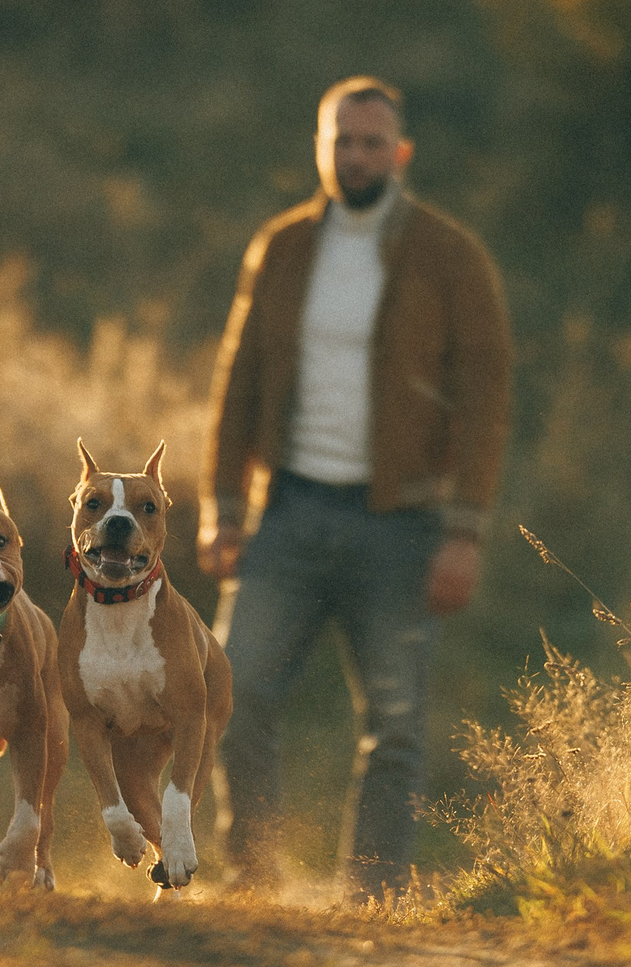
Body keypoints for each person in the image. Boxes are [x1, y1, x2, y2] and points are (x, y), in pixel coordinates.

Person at [198, 76, 513, 897]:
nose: (356, 157)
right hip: (289, 509)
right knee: (233, 693)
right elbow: (238, 378)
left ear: (400, 153)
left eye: (372, 143)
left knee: (395, 725)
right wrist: (221, 509)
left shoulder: (450, 256)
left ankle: (372, 895)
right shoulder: (282, 246)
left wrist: (466, 531)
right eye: (342, 141)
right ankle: (252, 875)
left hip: (400, 523)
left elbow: (487, 399)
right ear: (320, 148)